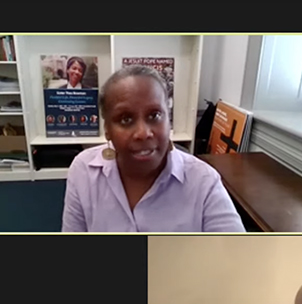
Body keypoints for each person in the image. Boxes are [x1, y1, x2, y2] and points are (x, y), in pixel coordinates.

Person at [61, 65, 245, 232]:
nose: (143, 133)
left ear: (168, 119)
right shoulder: (83, 171)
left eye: (154, 115)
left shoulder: (204, 182)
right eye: (125, 119)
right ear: (107, 130)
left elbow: (236, 261)